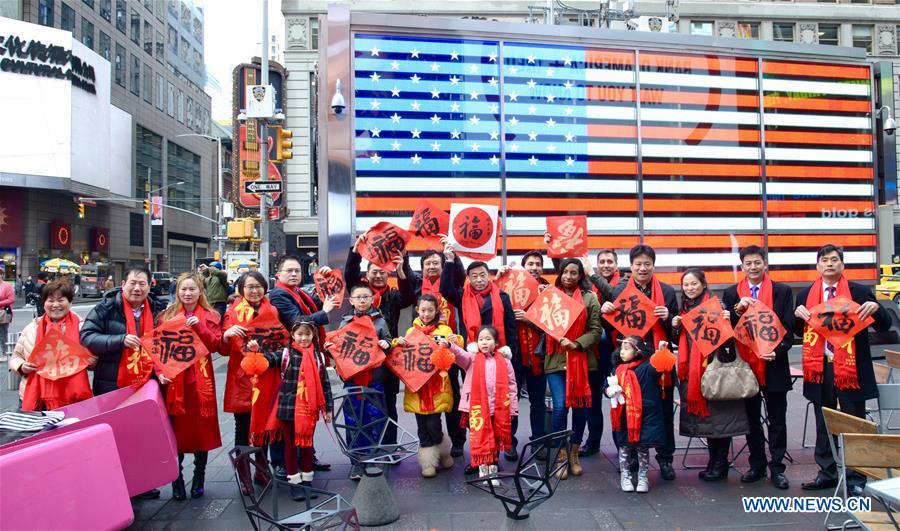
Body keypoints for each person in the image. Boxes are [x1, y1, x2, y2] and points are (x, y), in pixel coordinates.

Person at [794, 244, 891, 495]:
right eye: (824, 260)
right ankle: (826, 473)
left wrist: (877, 309)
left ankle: (856, 478)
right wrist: (796, 316)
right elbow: (797, 332)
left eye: (834, 260)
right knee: (823, 421)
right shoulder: (806, 295)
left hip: (851, 369)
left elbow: (883, 326)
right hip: (820, 368)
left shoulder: (858, 292)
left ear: (842, 264)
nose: (829, 264)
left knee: (853, 423)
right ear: (817, 266)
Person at [80, 266, 166, 500]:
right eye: (133, 283)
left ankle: (141, 483)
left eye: (142, 284)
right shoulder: (106, 307)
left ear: (150, 286)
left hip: (146, 382)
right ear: (123, 283)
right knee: (115, 435)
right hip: (112, 383)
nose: (137, 288)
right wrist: (119, 340)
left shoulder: (159, 309)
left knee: (142, 434)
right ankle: (116, 484)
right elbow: (87, 336)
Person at [600, 245, 678, 480]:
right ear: (631, 266)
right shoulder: (619, 290)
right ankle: (630, 456)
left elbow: (677, 333)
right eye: (638, 264)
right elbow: (610, 327)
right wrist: (605, 312)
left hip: (656, 361)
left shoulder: (666, 291)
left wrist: (669, 319)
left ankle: (665, 459)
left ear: (653, 265)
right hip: (626, 360)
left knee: (663, 410)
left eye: (647, 264)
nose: (642, 268)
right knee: (623, 407)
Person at [722, 246, 794, 490]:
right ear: (742, 266)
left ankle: (777, 468)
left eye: (757, 262)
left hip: (774, 364)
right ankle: (757, 465)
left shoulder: (782, 291)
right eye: (748, 263)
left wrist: (778, 350)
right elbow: (727, 329)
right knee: (751, 419)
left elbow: (787, 325)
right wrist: (737, 310)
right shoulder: (732, 293)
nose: (752, 267)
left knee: (777, 420)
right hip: (745, 365)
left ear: (765, 264)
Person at [440, 243, 519, 465]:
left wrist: (509, 350)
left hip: (500, 359)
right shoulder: (462, 296)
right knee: (478, 407)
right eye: (474, 276)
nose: (479, 280)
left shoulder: (501, 297)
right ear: (469, 278)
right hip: (474, 360)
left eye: (482, 275)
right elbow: (445, 289)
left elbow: (510, 326)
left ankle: (508, 442)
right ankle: (481, 454)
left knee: (504, 402)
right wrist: (448, 260)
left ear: (488, 275)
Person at [673, 268, 748, 481]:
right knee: (709, 421)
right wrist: (676, 326)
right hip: (695, 374)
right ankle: (713, 462)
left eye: (694, 284)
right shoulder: (685, 308)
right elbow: (679, 339)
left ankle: (720, 463)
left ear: (704, 284)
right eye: (686, 285)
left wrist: (727, 320)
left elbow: (728, 338)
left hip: (715, 370)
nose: (690, 288)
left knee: (720, 419)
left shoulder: (717, 305)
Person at [344, 236, 416, 447]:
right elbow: (349, 274)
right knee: (360, 405)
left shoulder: (393, 297)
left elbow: (409, 296)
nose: (377, 275)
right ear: (367, 275)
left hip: (387, 357)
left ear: (388, 274)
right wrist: (355, 251)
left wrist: (402, 268)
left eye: (382, 272)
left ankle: (390, 445)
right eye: (374, 271)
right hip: (360, 361)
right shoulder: (361, 296)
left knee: (389, 403)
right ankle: (366, 448)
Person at [268, 255, 336, 475]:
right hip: (293, 359)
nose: (294, 274)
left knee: (307, 410)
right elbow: (299, 321)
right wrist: (324, 312)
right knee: (288, 414)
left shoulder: (300, 292)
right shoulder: (279, 294)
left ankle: (306, 456)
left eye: (297, 270)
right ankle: (284, 464)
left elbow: (322, 300)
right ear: (278, 274)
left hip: (307, 355)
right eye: (289, 271)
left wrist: (324, 280)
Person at [157, 273, 223, 501]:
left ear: (200, 291)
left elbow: (216, 345)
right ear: (177, 291)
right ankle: (176, 479)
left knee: (200, 431)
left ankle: (199, 477)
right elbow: (156, 351)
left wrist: (200, 328)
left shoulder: (211, 315)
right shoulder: (167, 316)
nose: (187, 293)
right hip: (175, 383)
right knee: (175, 431)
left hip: (201, 383)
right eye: (183, 289)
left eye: (192, 289)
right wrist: (160, 374)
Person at [220, 271, 285, 492]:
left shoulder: (273, 310)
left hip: (267, 376)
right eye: (249, 286)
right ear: (241, 290)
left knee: (263, 428)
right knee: (244, 428)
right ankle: (245, 475)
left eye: (258, 286)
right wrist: (227, 334)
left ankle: (261, 471)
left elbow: (280, 339)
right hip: (243, 378)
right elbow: (224, 345)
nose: (254, 290)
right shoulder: (232, 312)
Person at [323, 283, 393, 481]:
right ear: (351, 301)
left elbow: (388, 341)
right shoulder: (345, 323)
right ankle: (356, 463)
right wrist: (329, 348)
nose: (362, 301)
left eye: (366, 297)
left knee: (375, 419)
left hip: (375, 380)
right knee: (353, 422)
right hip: (352, 382)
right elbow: (338, 348)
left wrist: (385, 343)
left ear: (372, 299)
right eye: (358, 297)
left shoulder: (380, 321)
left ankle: (372, 459)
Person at [542, 258, 602, 479]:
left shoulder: (590, 298)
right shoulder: (550, 295)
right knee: (560, 407)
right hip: (556, 361)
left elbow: (596, 331)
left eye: (574, 273)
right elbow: (539, 321)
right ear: (560, 273)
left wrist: (576, 343)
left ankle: (574, 453)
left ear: (580, 276)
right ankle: (560, 454)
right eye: (565, 272)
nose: (569, 276)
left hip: (582, 361)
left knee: (580, 408)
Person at [261, 319, 333, 500]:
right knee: (290, 446)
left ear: (313, 336)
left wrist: (328, 409)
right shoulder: (285, 354)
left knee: (307, 445)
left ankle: (307, 481)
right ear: (292, 335)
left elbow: (325, 384)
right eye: (299, 334)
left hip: (309, 408)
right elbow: (267, 360)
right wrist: (256, 351)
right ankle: (294, 482)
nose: (303, 338)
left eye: (307, 334)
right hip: (287, 408)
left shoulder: (319, 357)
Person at [395, 295, 462, 477]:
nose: (426, 314)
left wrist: (453, 342)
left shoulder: (445, 329)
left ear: (436, 311)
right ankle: (428, 463)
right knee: (421, 426)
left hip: (437, 387)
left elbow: (457, 347)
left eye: (430, 310)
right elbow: (400, 355)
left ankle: (443, 451)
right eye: (423, 310)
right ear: (417, 310)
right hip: (417, 388)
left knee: (434, 424)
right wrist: (396, 343)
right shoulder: (411, 332)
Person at [442, 325, 518, 484]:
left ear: (496, 342)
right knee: (479, 436)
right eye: (481, 339)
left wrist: (513, 408)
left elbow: (511, 385)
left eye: (488, 339)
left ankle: (493, 466)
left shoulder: (504, 361)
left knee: (495, 437)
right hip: (476, 407)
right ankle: (481, 465)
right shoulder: (472, 358)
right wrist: (450, 345)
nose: (484, 342)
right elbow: (459, 355)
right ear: (477, 342)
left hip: (498, 407)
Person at [410, 249, 467, 457]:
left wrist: (454, 257)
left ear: (443, 267)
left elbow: (460, 275)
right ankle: (432, 441)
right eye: (428, 263)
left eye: (436, 263)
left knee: (452, 397)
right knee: (426, 400)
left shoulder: (450, 286)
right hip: (422, 356)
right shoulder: (417, 286)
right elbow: (404, 276)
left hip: (447, 350)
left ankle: (458, 440)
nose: (432, 266)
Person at [10, 279, 94, 410]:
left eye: (61, 300)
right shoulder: (32, 328)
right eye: (50, 300)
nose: (55, 305)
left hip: (72, 399)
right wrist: (21, 366)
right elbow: (16, 356)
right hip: (35, 398)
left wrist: (90, 360)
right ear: (44, 303)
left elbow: (93, 361)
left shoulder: (82, 329)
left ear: (70, 302)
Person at [497, 251, 549, 458]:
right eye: (530, 264)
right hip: (514, 356)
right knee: (512, 400)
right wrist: (497, 278)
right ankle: (509, 441)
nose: (534, 267)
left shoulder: (548, 291)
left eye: (538, 264)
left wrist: (530, 320)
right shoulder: (508, 287)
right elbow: (491, 303)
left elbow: (557, 324)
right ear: (523, 267)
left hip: (539, 355)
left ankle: (539, 441)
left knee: (538, 401)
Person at [608, 336, 667, 493]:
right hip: (623, 414)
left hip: (644, 415)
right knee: (625, 448)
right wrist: (608, 391)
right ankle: (625, 476)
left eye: (627, 349)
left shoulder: (648, 367)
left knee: (643, 448)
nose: (622, 352)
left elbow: (661, 366)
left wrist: (661, 351)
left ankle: (643, 477)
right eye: (621, 348)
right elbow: (608, 386)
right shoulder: (617, 369)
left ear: (637, 351)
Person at [579, 249, 623, 456]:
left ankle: (621, 445)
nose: (606, 264)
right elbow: (567, 271)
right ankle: (594, 441)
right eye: (602, 262)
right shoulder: (588, 286)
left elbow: (615, 294)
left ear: (616, 265)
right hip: (595, 351)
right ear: (596, 265)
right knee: (593, 400)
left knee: (618, 399)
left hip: (618, 353)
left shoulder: (624, 283)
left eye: (609, 261)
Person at [0, 277, 13, 362]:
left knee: (3, 333)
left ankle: (5, 353)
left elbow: (11, 299)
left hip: (3, 312)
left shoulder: (7, 286)